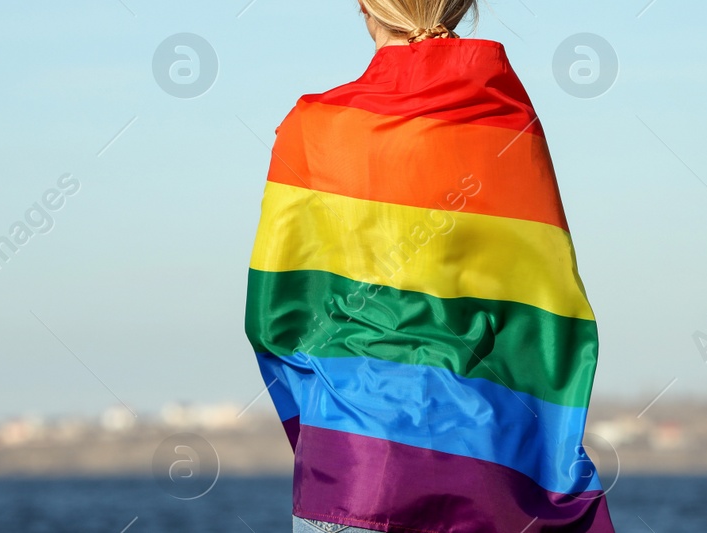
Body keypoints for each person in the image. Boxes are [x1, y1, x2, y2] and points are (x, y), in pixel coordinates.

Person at [245, 1, 616, 531]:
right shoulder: (508, 123)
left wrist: (324, 434)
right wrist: (547, 461)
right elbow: (553, 318)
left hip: (357, 466)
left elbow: (274, 317)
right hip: (493, 466)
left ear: (366, 9)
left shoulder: (314, 128)